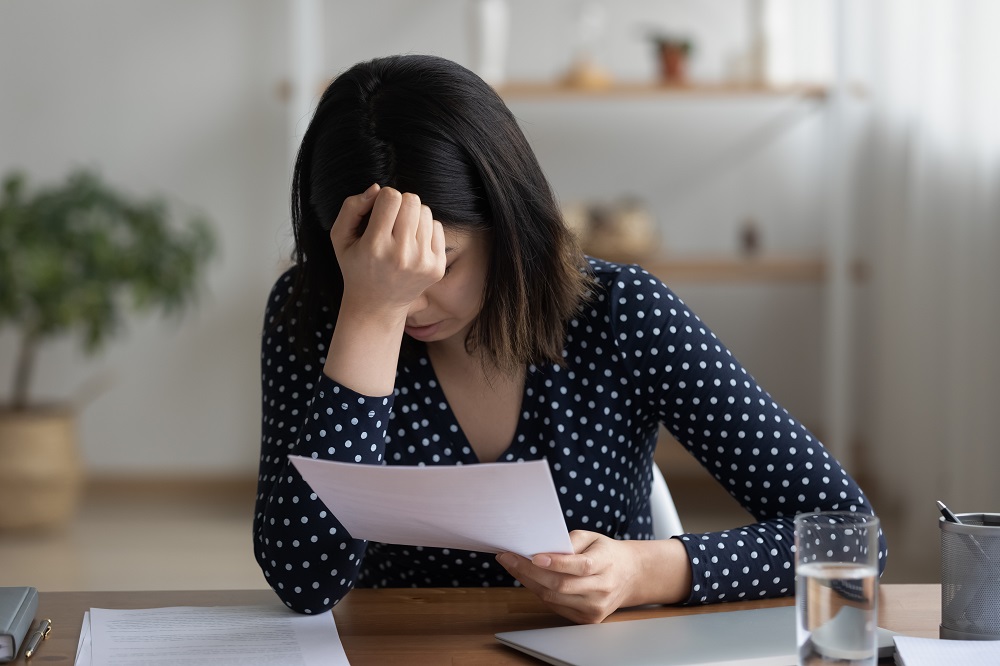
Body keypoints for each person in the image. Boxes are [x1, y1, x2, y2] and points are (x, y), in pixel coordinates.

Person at [253, 54, 886, 624]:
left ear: (508, 224)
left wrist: (643, 572)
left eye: (441, 260)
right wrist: (368, 315)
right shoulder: (311, 313)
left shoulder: (620, 313)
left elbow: (852, 536)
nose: (409, 297)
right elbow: (304, 581)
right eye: (370, 265)